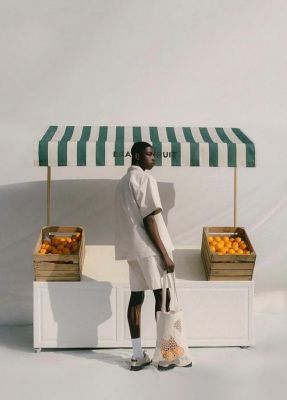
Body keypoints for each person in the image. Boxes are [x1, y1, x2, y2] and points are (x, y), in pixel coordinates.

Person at [114, 141, 175, 371]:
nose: (154, 158)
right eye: (149, 154)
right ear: (137, 156)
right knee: (162, 296)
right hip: (148, 248)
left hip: (131, 249)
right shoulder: (145, 179)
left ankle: (138, 355)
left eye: (154, 154)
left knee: (136, 298)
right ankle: (163, 355)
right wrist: (165, 254)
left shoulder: (121, 184)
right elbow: (150, 220)